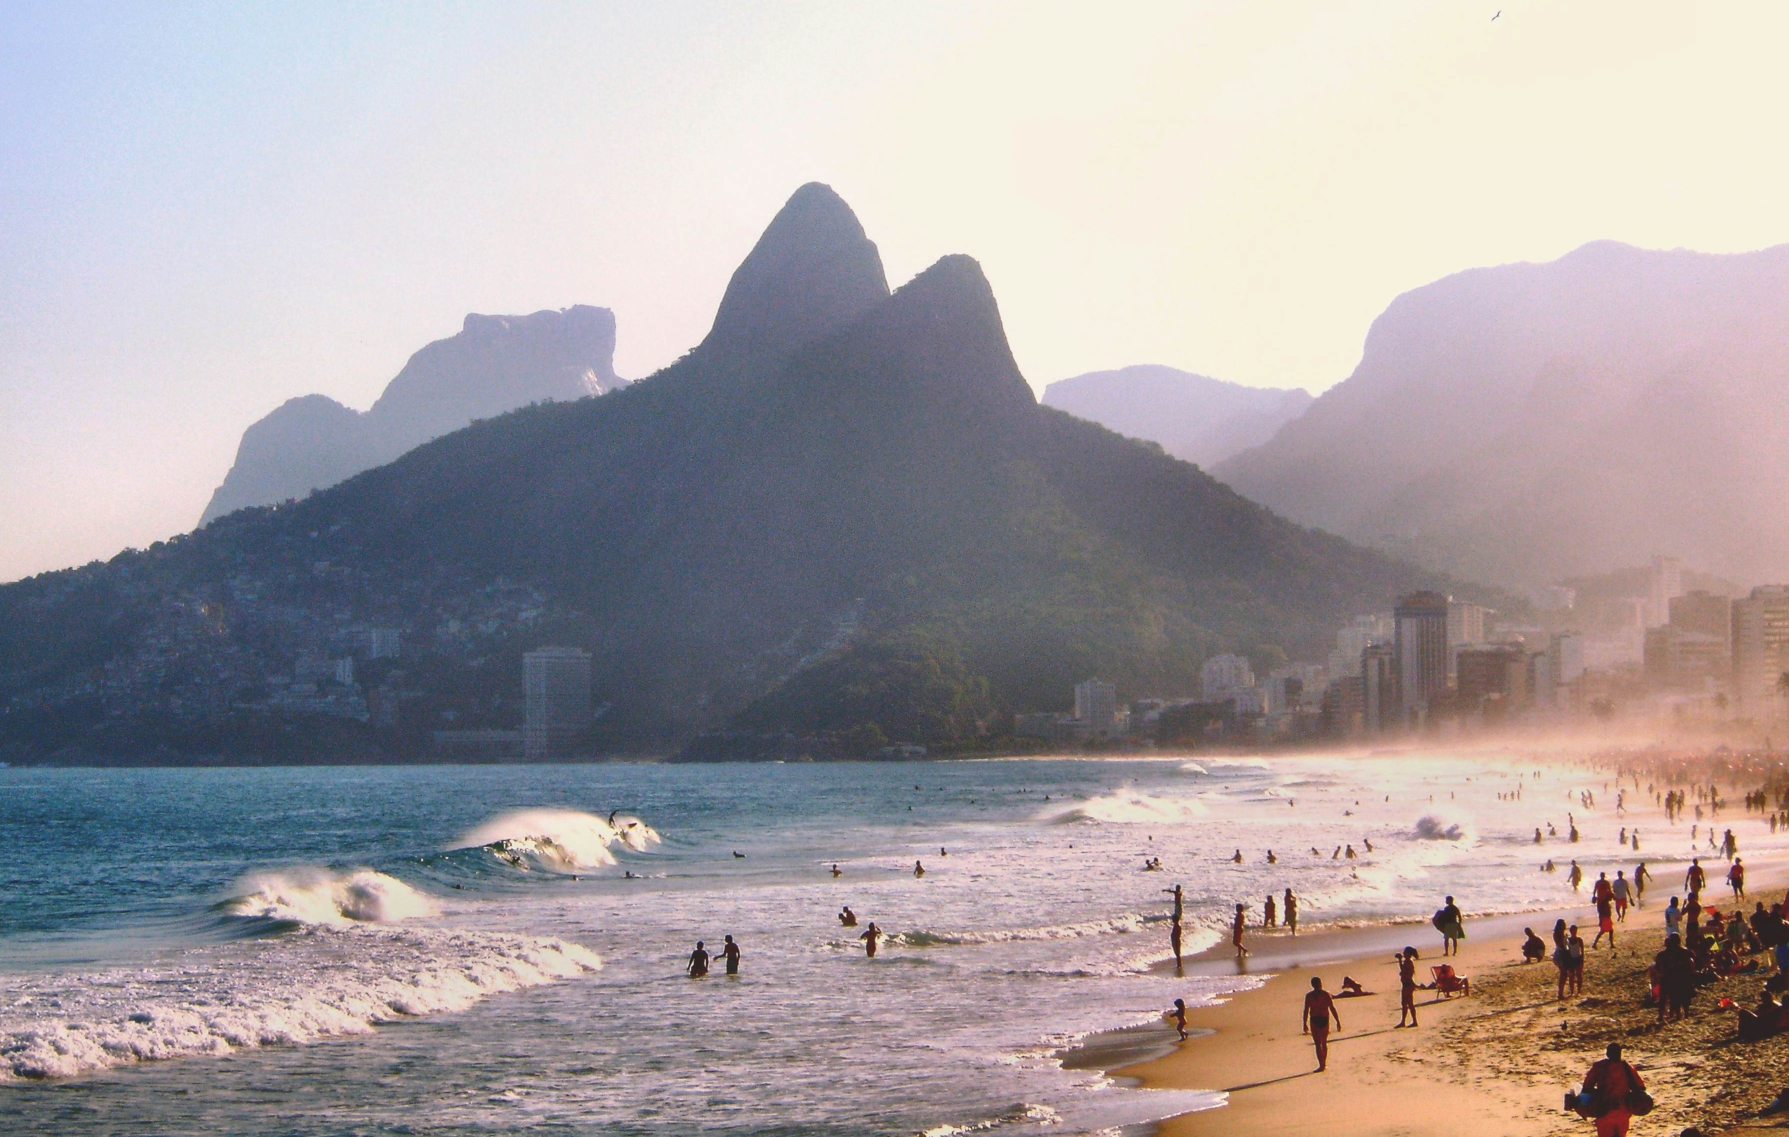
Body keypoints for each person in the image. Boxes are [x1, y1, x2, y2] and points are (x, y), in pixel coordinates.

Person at [1574, 1043, 1646, 1137]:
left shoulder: (1599, 1067)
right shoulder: (1627, 1067)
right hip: (1623, 1112)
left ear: (1607, 1054)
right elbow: (1641, 1088)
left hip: (1604, 1111)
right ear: (1620, 1053)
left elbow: (1587, 1088)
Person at [1302, 977, 1341, 1072]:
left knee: (1319, 1044)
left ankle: (1322, 1065)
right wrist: (1337, 1021)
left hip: (1316, 1020)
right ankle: (1322, 1064)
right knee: (1322, 1043)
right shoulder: (1324, 994)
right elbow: (1332, 1008)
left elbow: (1306, 1010)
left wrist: (1304, 1023)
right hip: (1322, 1019)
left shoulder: (1311, 995)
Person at [1654, 933, 1694, 1023]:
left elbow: (1657, 967)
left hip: (1667, 977)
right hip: (1682, 977)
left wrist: (1660, 974)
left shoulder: (1662, 955)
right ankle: (1684, 1013)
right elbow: (1691, 962)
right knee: (1683, 996)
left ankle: (1661, 1015)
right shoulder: (1685, 951)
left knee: (1663, 997)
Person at [1397, 947, 1420, 1027]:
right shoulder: (1407, 961)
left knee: (1409, 1003)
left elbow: (1404, 971)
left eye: (1405, 952)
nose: (1403, 953)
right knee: (1405, 1003)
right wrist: (1400, 961)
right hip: (1406, 984)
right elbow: (1403, 969)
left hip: (1408, 984)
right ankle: (1404, 1021)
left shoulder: (1409, 962)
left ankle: (1413, 1021)